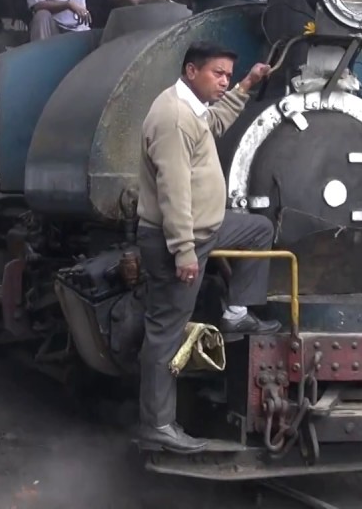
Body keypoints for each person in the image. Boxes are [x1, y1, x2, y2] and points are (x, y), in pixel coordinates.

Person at [135, 41, 280, 454]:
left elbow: (215, 123)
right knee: (165, 333)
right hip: (178, 238)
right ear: (190, 71)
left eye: (228, 74)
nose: (224, 81)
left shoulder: (192, 110)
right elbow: (174, 190)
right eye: (217, 74)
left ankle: (236, 313)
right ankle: (158, 424)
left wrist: (248, 86)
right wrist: (183, 251)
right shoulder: (173, 117)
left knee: (257, 230)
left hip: (209, 228)